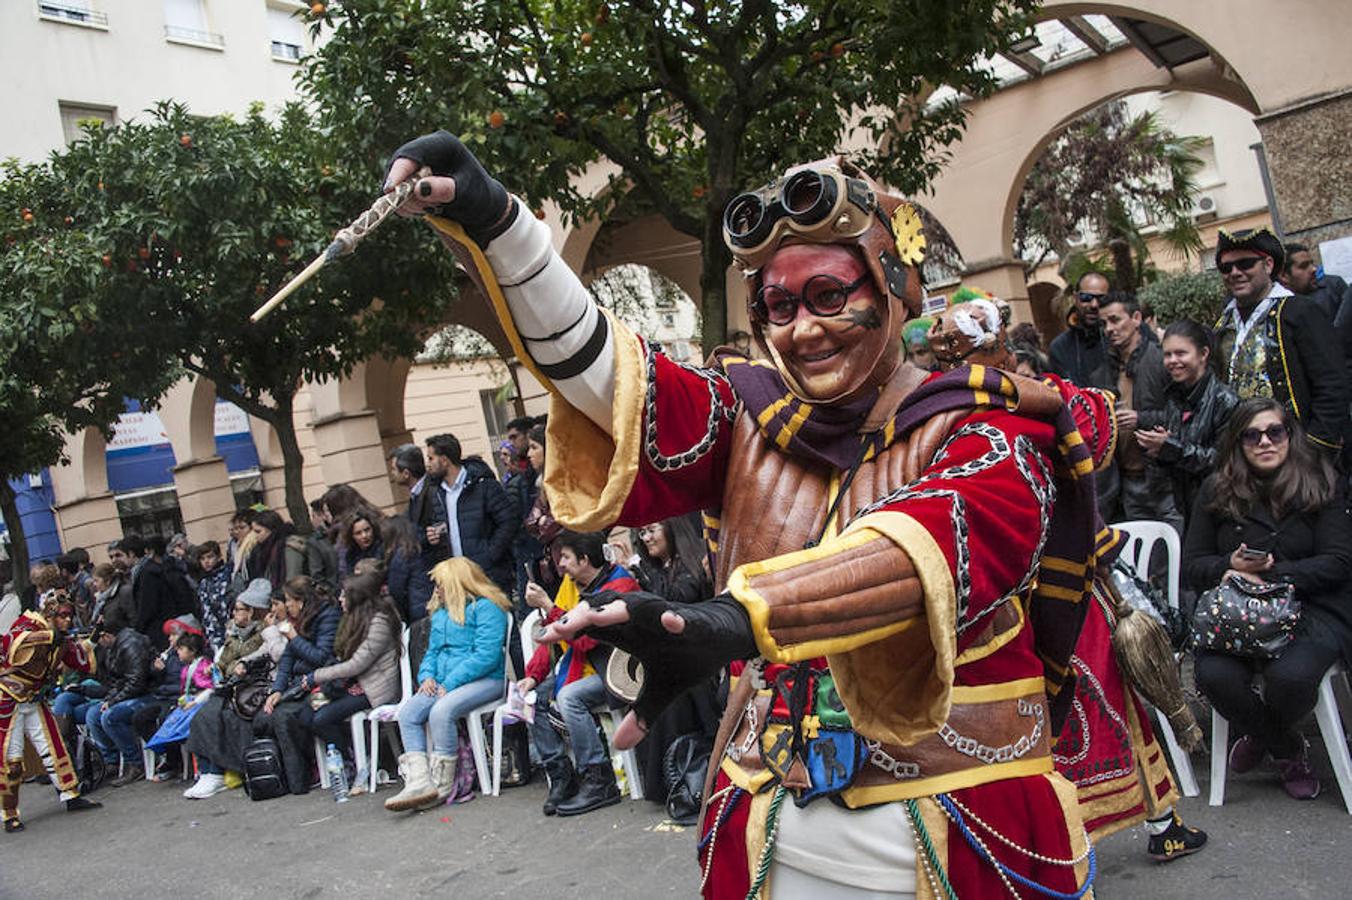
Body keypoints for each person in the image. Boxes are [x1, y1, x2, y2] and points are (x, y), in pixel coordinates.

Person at [385, 133, 1118, 895]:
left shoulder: (994, 427)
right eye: (778, 305)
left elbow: (933, 544)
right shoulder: (750, 417)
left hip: (956, 821)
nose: (803, 330)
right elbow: (612, 379)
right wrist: (501, 227)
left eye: (830, 296)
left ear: (894, 286)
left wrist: (732, 622)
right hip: (771, 820)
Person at [1185, 398, 1352, 801]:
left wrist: (1271, 571)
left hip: (1312, 608)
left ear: (1289, 436)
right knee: (1214, 676)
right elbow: (1193, 564)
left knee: (1289, 679)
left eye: (1274, 432)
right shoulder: (1217, 488)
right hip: (1242, 613)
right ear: (1238, 442)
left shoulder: (1321, 482)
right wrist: (1227, 565)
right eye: (1252, 435)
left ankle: (1262, 736)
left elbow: (1339, 561)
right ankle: (1286, 747)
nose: (1265, 442)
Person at [518, 530, 640, 817]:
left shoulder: (620, 585)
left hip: (620, 670)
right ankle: (562, 776)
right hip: (586, 666)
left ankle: (599, 779)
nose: (561, 565)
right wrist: (534, 675)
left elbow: (585, 639)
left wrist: (549, 606)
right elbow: (554, 636)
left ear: (585, 560)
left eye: (567, 558)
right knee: (533, 697)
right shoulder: (573, 585)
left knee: (569, 697)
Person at [385, 558, 510, 812]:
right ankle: (420, 782)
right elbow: (431, 653)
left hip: (486, 681)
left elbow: (486, 656)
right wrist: (426, 677)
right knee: (409, 713)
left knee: (441, 710)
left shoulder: (487, 608)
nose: (436, 589)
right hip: (444, 683)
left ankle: (443, 784)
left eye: (440, 584)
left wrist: (450, 683)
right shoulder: (441, 613)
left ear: (456, 583)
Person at [1213, 227, 1348, 457]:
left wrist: (1314, 449)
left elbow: (1333, 385)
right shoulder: (1223, 324)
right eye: (1226, 267)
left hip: (1297, 455)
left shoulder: (1300, 312)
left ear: (1268, 264)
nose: (1234, 272)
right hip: (1245, 456)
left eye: (1245, 264)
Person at [0, 600, 102, 832]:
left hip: (34, 698)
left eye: (69, 616)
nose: (67, 620)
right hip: (9, 698)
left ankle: (70, 795)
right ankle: (9, 814)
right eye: (63, 616)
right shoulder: (28, 624)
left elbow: (78, 657)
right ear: (51, 614)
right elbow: (14, 644)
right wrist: (48, 636)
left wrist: (94, 638)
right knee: (12, 762)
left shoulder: (61, 638)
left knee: (54, 748)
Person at [1135, 319, 1240, 530]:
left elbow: (1224, 461)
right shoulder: (1175, 397)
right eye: (1167, 355)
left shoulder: (1225, 401)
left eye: (1181, 353)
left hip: (1219, 508)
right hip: (1183, 506)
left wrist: (1171, 448)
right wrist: (1159, 450)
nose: (1173, 361)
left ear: (1203, 354)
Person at [296, 573, 401, 781]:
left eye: (344, 596)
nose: (341, 600)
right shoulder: (352, 619)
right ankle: (350, 754)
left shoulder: (380, 621)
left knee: (322, 718)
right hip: (350, 685)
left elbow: (356, 664)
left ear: (357, 597)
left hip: (373, 688)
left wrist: (317, 676)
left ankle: (352, 760)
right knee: (307, 712)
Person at [254, 577, 342, 795]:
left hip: (327, 686)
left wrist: (293, 638)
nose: (287, 605)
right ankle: (281, 777)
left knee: (290, 715)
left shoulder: (327, 616)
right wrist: (277, 690)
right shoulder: (299, 620)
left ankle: (302, 778)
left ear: (301, 601)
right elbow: (287, 660)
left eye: (288, 601)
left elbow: (321, 657)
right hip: (300, 684)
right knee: (264, 716)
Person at [1099, 293, 1177, 531]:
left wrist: (1140, 418)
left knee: (1172, 556)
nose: (1109, 329)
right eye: (1104, 324)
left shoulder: (1162, 359)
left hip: (1163, 478)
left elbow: (1183, 416)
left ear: (1136, 318)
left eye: (1115, 320)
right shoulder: (1106, 369)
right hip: (1126, 481)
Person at [423, 432, 518, 595]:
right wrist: (436, 536)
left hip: (488, 575)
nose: (428, 464)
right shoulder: (437, 493)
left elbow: (509, 522)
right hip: (458, 580)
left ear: (445, 460)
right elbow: (448, 525)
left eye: (431, 458)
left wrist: (489, 555)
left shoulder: (483, 485)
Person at [85, 620, 155, 786]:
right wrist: (110, 699)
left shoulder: (130, 646)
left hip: (148, 694)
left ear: (106, 636)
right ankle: (111, 760)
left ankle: (135, 763)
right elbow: (118, 681)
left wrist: (114, 701)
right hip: (130, 693)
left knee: (110, 717)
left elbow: (137, 681)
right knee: (93, 715)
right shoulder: (114, 648)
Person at [1048, 272, 1112, 387]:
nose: (1094, 305)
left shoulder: (1119, 338)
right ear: (1075, 298)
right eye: (1086, 298)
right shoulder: (1059, 348)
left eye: (1102, 299)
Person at [382, 515, 434, 622]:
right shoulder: (423, 547)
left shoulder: (401, 556)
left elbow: (396, 590)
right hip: (433, 600)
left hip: (417, 608)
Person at [215, 582, 270, 677]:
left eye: (238, 609)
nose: (233, 613)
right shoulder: (234, 633)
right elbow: (223, 663)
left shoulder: (262, 634)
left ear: (251, 612)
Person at [247, 510, 307, 590]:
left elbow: (292, 579)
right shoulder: (261, 549)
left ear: (271, 530)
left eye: (258, 532)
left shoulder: (289, 547)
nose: (255, 536)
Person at [195, 540, 231, 654]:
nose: (206, 561)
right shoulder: (204, 583)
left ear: (219, 556)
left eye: (210, 557)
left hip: (230, 628)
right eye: (202, 559)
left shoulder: (228, 575)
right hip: (213, 634)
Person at [337, 511, 384, 578]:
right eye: (358, 533)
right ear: (351, 536)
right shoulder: (351, 554)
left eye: (367, 530)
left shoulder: (382, 548)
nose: (364, 536)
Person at [305, 499, 340, 590]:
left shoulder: (343, 533)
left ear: (322, 515)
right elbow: (317, 575)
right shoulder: (315, 541)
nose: (312, 521)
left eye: (313, 516)